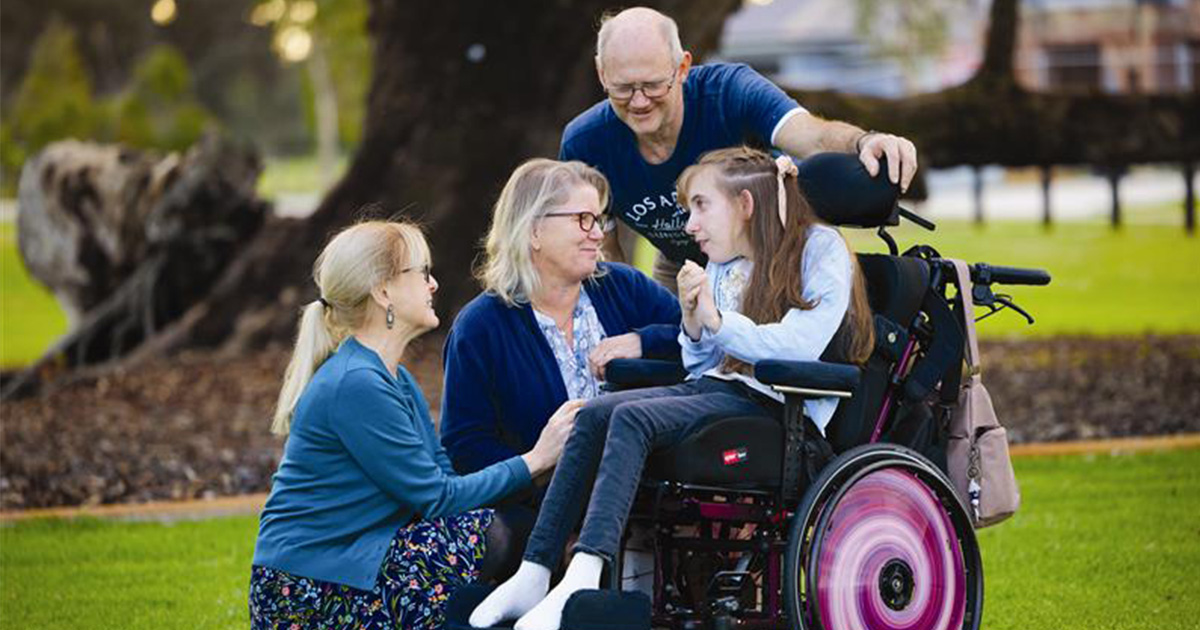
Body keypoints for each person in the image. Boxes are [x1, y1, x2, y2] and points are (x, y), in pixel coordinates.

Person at [469, 147, 875, 630]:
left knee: (633, 416)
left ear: (745, 204)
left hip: (783, 413)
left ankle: (584, 570)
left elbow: (798, 347)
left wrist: (717, 320)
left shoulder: (819, 248)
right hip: (722, 391)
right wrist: (693, 321)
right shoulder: (723, 261)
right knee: (596, 413)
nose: (688, 225)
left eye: (700, 206)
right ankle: (536, 571)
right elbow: (700, 364)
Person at [248, 220, 579, 630]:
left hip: (360, 558)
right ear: (383, 291)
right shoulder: (356, 384)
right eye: (422, 272)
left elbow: (444, 474)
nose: (434, 284)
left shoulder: (394, 379)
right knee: (494, 533)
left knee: (513, 531)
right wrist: (535, 459)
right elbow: (437, 499)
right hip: (308, 587)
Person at [560, 6, 919, 292]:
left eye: (654, 85)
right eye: (623, 88)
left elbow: (812, 135)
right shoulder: (585, 143)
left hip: (773, 253)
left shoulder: (731, 92)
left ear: (683, 67)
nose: (639, 102)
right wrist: (632, 311)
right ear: (602, 74)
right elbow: (604, 251)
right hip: (683, 266)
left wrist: (864, 141)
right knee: (668, 362)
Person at [440, 159, 681, 477]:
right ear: (533, 230)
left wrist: (642, 341)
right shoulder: (480, 328)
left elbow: (700, 339)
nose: (597, 234)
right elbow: (465, 445)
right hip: (537, 505)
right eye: (583, 219)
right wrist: (539, 469)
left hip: (648, 496)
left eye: (598, 219)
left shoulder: (624, 287)